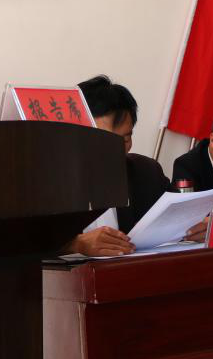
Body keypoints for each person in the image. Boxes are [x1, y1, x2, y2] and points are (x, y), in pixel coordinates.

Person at [65, 75, 180, 257]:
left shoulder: (147, 172)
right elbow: (21, 241)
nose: (117, 149)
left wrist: (197, 227)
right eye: (106, 139)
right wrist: (74, 245)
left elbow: (180, 217)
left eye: (126, 138)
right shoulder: (45, 180)